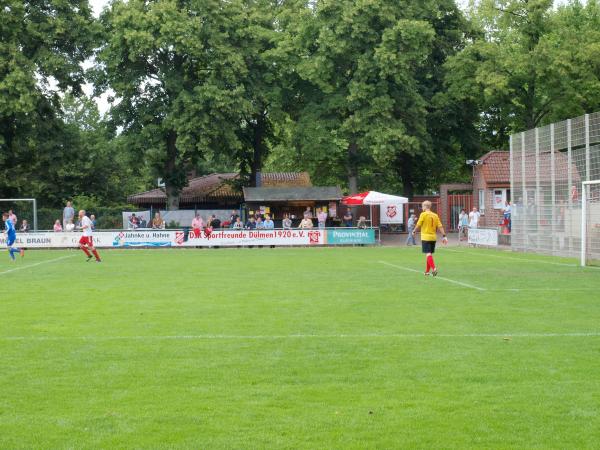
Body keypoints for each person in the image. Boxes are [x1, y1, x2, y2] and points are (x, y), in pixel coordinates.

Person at [412, 200, 447, 276]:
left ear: (425, 206)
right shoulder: (435, 215)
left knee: (428, 254)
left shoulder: (423, 214)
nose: (422, 208)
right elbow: (440, 226)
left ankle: (434, 269)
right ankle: (427, 272)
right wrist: (444, 235)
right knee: (429, 254)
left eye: (422, 206)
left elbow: (418, 224)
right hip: (433, 237)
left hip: (425, 237)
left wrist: (414, 231)